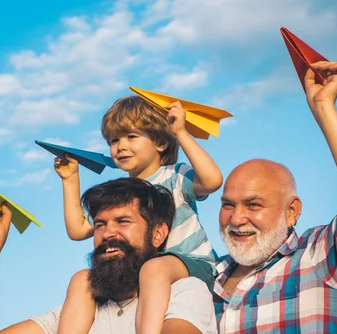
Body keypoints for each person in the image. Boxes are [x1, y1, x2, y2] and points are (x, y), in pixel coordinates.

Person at [213, 61, 337, 332]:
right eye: (228, 205)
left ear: (292, 211)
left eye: (253, 205)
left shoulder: (323, 257)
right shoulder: (207, 278)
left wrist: (323, 107)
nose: (237, 218)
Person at [0, 178, 217, 333]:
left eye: (123, 221)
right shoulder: (78, 310)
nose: (108, 233)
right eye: (100, 224)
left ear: (158, 234)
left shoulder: (186, 292)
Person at [55, 97, 223, 333]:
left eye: (131, 136)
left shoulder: (174, 175)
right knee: (81, 280)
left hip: (192, 265)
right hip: (146, 275)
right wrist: (70, 179)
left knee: (153, 268)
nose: (120, 146)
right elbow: (78, 229)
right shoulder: (122, 196)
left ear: (161, 142)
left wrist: (181, 133)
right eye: (114, 140)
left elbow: (212, 180)